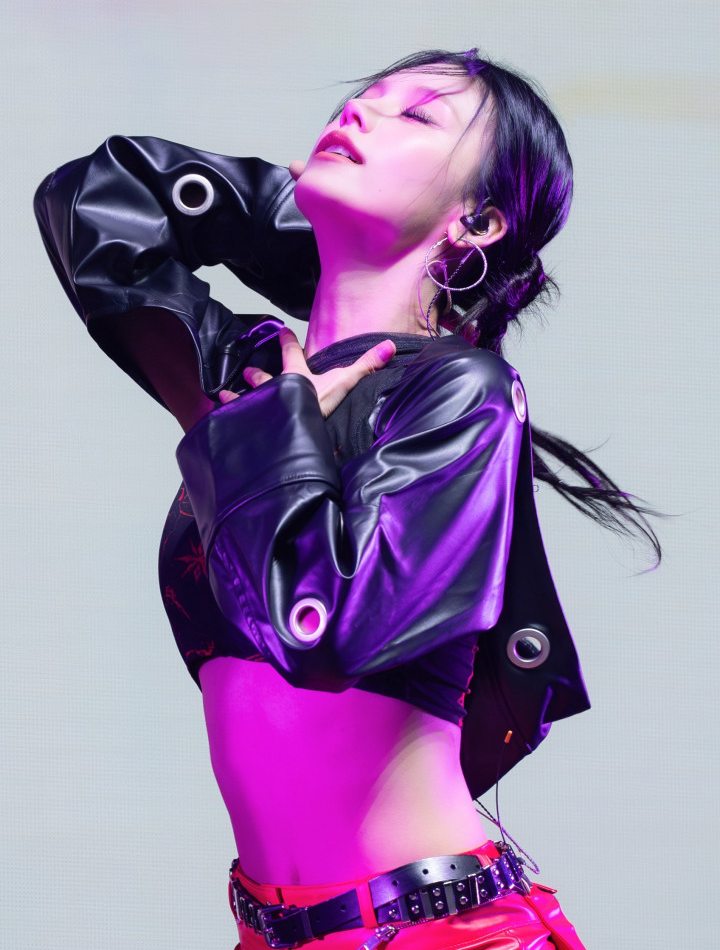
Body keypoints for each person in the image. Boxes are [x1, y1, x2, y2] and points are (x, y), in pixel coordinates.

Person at [34, 49, 658, 950]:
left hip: (441, 931)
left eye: (417, 115)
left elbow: (325, 631)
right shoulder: (262, 389)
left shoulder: (461, 394)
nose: (360, 112)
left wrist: (282, 411)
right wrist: (317, 238)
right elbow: (90, 200)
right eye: (364, 98)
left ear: (480, 220)